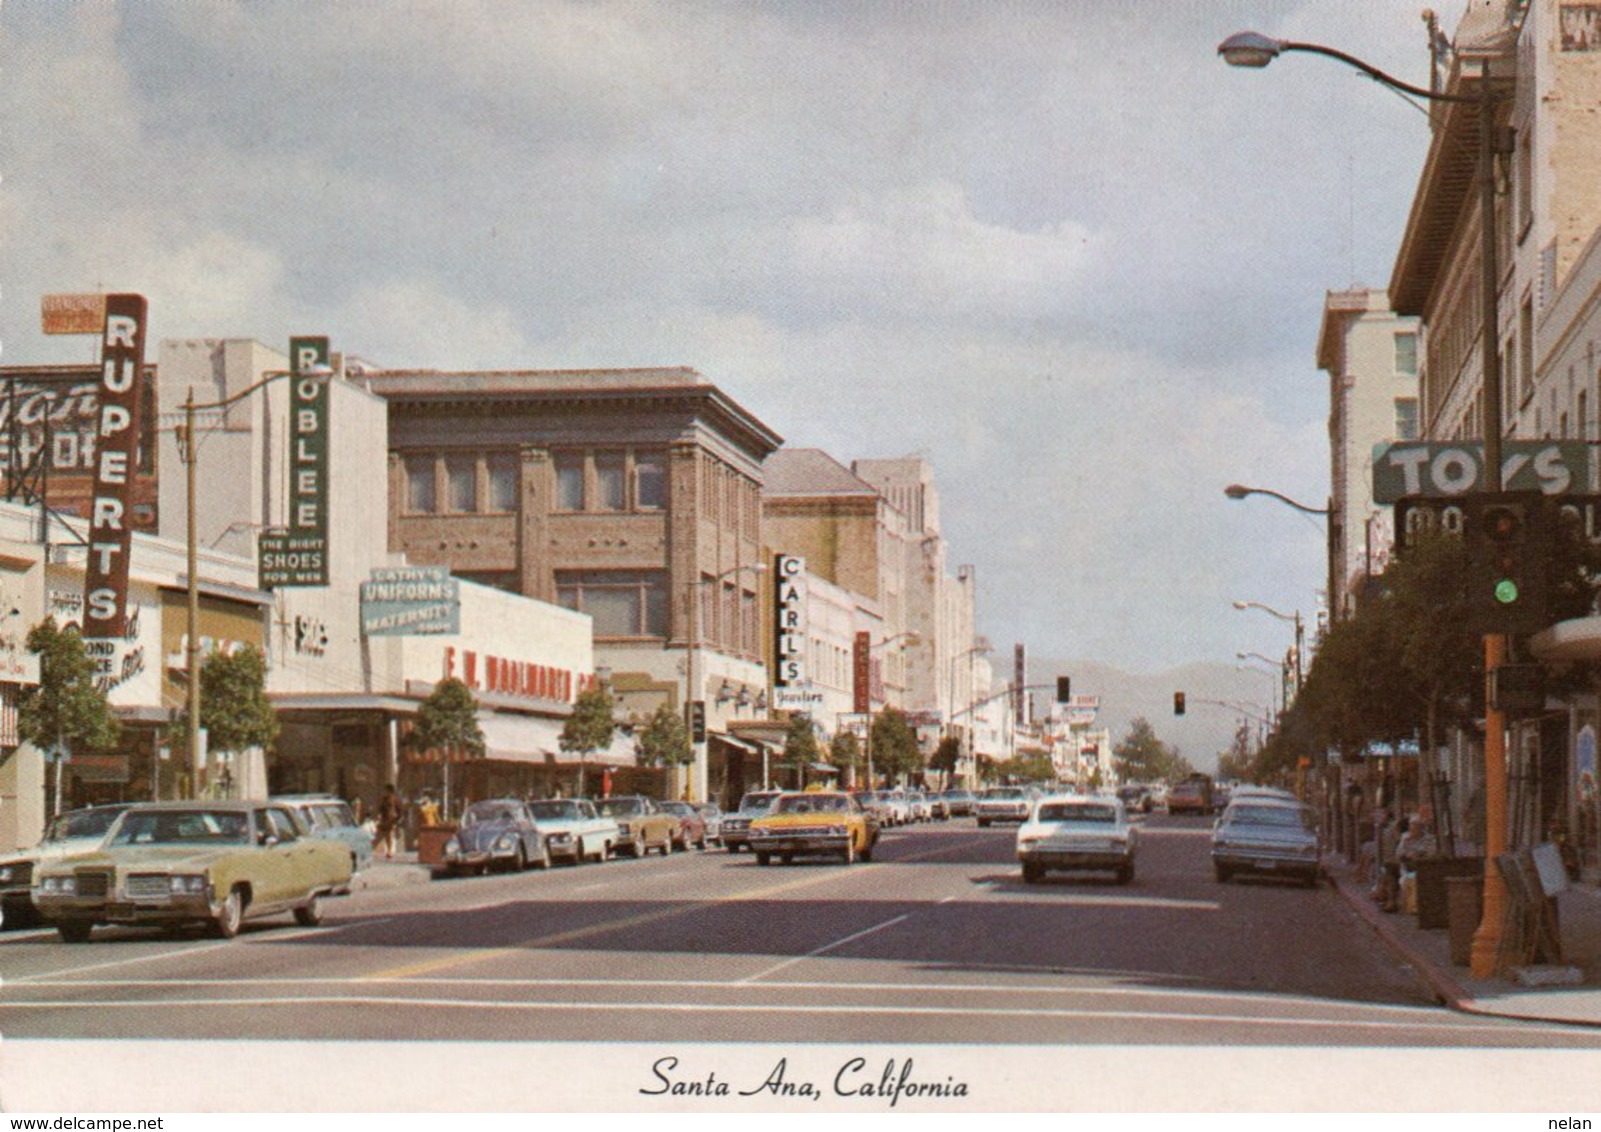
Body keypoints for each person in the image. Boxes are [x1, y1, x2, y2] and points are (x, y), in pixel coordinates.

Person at [376, 784, 404, 860]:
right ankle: (384, 849)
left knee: (389, 835)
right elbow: (381, 808)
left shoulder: (395, 799)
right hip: (384, 819)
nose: (385, 792)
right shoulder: (384, 799)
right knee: (382, 834)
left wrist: (397, 819)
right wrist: (379, 816)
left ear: (390, 791)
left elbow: (400, 810)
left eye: (386, 790)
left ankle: (389, 850)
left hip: (391, 819)